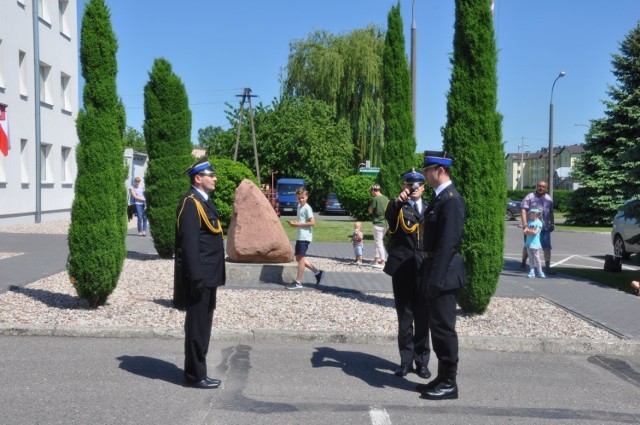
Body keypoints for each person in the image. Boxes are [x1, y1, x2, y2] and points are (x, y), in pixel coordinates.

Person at [417, 151, 466, 401]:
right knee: (437, 328)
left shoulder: (451, 200)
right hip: (435, 271)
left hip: (444, 275)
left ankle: (450, 382)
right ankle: (441, 376)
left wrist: (435, 278)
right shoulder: (439, 199)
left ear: (440, 170)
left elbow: (449, 245)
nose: (425, 175)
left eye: (427, 170)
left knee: (445, 329)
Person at [174, 157, 225, 389]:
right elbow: (189, 245)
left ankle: (199, 371)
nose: (215, 178)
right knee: (197, 326)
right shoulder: (191, 203)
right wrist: (195, 278)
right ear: (198, 178)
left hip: (208, 275)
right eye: (210, 175)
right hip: (200, 278)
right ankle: (195, 376)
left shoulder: (203, 201)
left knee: (204, 325)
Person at [384, 169, 431, 380]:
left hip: (423, 270)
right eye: (408, 185)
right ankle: (405, 362)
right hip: (403, 270)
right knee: (404, 318)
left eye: (416, 185)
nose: (413, 189)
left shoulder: (430, 209)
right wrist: (397, 202)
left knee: (422, 318)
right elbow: (389, 218)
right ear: (404, 187)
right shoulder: (398, 208)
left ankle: (421, 362)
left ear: (423, 187)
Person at [286, 187, 324, 289]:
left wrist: (297, 225)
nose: (301, 200)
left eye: (302, 197)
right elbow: (302, 221)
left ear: (306, 197)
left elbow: (312, 222)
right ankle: (318, 272)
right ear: (296, 198)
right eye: (299, 198)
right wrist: (294, 223)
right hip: (300, 236)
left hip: (305, 237)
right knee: (298, 258)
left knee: (301, 258)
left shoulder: (307, 208)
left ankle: (298, 282)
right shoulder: (299, 207)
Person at [520, 181, 556, 275]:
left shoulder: (548, 198)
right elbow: (523, 209)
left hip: (544, 227)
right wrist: (524, 223)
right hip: (531, 226)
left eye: (543, 187)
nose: (541, 188)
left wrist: (552, 223)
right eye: (539, 186)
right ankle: (523, 264)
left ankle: (547, 267)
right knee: (528, 245)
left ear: (546, 188)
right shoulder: (530, 197)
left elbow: (551, 212)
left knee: (547, 247)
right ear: (536, 186)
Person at [368, 184, 389, 269]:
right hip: (386, 224)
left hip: (378, 223)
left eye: (371, 191)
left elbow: (370, 210)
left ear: (373, 190)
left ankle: (383, 261)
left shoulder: (375, 199)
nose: (371, 193)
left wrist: (370, 210)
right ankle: (376, 259)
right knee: (378, 241)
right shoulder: (386, 198)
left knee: (379, 243)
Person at [524, 208, 545, 279]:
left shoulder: (539, 223)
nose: (529, 214)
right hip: (528, 243)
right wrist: (529, 231)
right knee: (531, 258)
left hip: (535, 244)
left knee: (537, 258)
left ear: (535, 214)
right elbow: (525, 232)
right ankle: (532, 271)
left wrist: (529, 231)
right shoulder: (529, 222)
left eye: (531, 213)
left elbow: (535, 232)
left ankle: (540, 272)